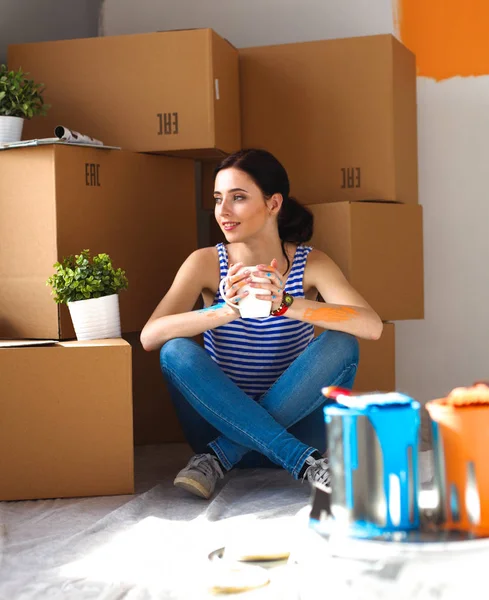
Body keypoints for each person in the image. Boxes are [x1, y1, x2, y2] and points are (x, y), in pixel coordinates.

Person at [141, 149, 383, 500]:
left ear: (273, 204)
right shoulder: (205, 263)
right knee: (175, 350)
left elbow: (370, 325)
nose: (223, 211)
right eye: (218, 198)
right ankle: (304, 464)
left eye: (238, 198)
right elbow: (151, 336)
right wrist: (226, 311)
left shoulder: (311, 262)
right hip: (218, 424)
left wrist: (284, 305)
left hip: (293, 429)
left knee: (343, 343)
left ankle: (222, 456)